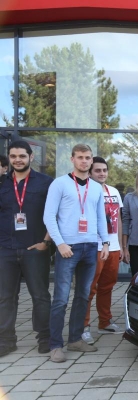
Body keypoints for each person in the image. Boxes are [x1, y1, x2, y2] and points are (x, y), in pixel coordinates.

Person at [43, 144, 110, 362]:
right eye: (80, 157)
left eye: (87, 157)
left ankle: (75, 339)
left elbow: (100, 217)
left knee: (83, 296)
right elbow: (49, 216)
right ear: (72, 159)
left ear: (91, 160)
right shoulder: (60, 183)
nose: (84, 161)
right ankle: (55, 345)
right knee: (61, 299)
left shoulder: (96, 187)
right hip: (68, 248)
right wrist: (60, 243)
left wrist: (105, 242)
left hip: (90, 247)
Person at [0, 141, 53, 357]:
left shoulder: (46, 183)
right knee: (5, 297)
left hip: (35, 248)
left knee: (40, 296)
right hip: (6, 249)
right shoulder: (2, 183)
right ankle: (6, 341)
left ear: (31, 157)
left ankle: (45, 338)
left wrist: (46, 242)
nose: (17, 160)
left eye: (22, 156)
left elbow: (55, 215)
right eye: (13, 156)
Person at [81, 157, 124, 345]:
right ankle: (83, 326)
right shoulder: (85, 191)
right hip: (94, 247)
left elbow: (119, 220)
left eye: (104, 170)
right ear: (90, 172)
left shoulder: (114, 191)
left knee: (107, 286)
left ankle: (104, 322)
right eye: (97, 170)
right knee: (89, 288)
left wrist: (121, 246)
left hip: (113, 247)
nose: (102, 173)